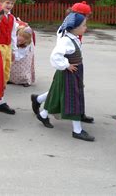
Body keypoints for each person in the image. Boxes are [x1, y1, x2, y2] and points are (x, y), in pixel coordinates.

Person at [34, 12, 95, 142]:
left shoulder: (72, 37)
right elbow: (55, 55)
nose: (86, 27)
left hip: (75, 71)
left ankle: (43, 114)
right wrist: (66, 65)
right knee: (73, 99)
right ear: (74, 27)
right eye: (83, 25)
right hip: (69, 73)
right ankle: (77, 130)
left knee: (59, 95)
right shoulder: (66, 40)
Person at [9, 23, 35, 87]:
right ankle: (12, 79)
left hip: (22, 57)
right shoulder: (14, 39)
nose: (20, 38)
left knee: (23, 69)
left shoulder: (27, 45)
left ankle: (26, 80)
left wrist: (15, 55)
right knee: (12, 69)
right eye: (19, 35)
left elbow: (22, 54)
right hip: (15, 56)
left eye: (24, 37)